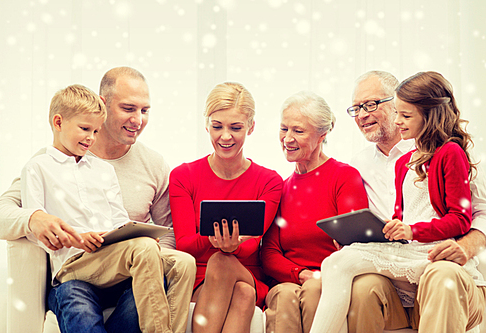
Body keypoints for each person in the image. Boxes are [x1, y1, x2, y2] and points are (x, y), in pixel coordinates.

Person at [0, 67, 196, 333]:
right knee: (129, 259)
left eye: (145, 111)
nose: (138, 120)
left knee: (181, 262)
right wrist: (35, 218)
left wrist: (142, 243)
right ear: (104, 104)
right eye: (129, 108)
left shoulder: (147, 165)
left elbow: (163, 231)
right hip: (78, 270)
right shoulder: (42, 164)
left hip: (128, 269)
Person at [309, 71, 486, 333]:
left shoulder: (452, 152)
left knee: (442, 277)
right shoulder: (385, 164)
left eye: (371, 105)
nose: (362, 114)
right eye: (356, 108)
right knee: (340, 265)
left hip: (434, 251)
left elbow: (465, 216)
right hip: (403, 254)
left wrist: (462, 244)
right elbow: (400, 217)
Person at [21, 83, 176, 332]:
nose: (91, 138)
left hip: (113, 269)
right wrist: (76, 238)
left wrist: (134, 235)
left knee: (156, 273)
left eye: (95, 130)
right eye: (84, 129)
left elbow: (119, 218)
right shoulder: (38, 167)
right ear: (58, 122)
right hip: (73, 268)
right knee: (76, 301)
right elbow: (36, 230)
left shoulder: (104, 170)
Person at [169, 82, 283, 333]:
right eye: (217, 126)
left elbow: (254, 242)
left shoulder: (269, 181)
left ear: (251, 127)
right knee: (238, 288)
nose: (225, 136)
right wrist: (217, 242)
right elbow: (184, 244)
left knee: (224, 262)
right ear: (206, 124)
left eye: (236, 127)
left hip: (247, 272)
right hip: (200, 278)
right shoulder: (183, 176)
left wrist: (233, 246)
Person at [260, 91, 369, 333]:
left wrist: (318, 276)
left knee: (314, 290)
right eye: (283, 129)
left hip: (331, 278)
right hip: (291, 279)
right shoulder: (281, 186)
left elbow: (353, 243)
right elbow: (269, 251)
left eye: (298, 131)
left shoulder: (343, 176)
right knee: (283, 295)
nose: (287, 138)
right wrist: (300, 274)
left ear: (322, 135)